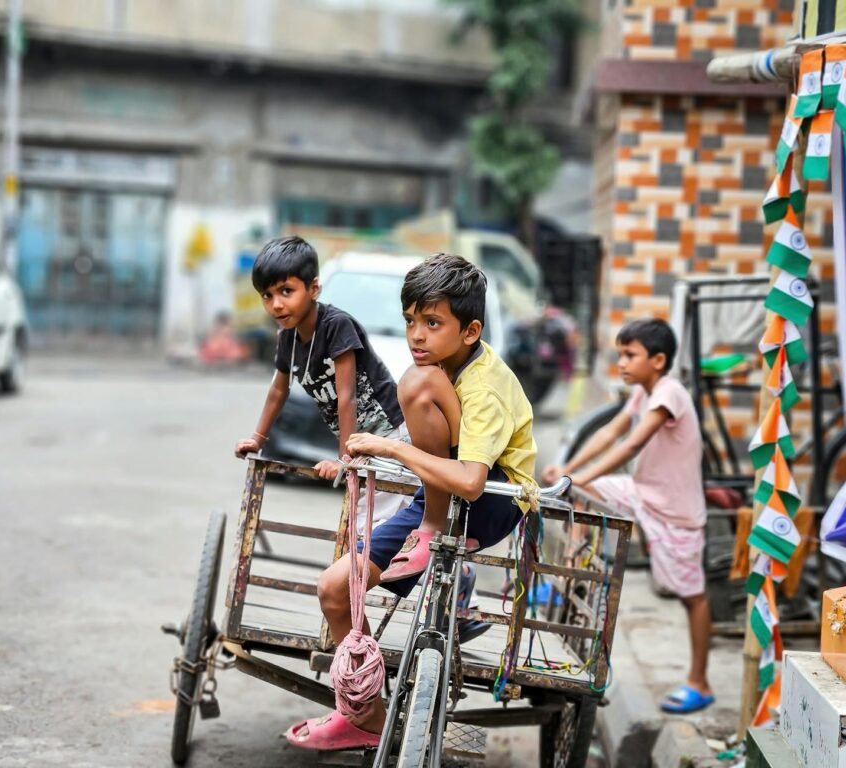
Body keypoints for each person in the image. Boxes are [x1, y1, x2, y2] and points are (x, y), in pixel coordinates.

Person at [284, 253, 537, 750]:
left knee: (415, 384)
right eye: (411, 322)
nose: (416, 335)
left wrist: (391, 448)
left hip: (494, 497)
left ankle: (430, 534)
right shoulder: (439, 368)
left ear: (470, 331)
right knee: (335, 588)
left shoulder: (482, 385)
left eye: (432, 322)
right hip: (438, 493)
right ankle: (363, 714)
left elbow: (471, 482)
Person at [541, 318, 713, 715]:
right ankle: (571, 573)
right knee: (583, 494)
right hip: (642, 493)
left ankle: (700, 682)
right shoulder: (642, 391)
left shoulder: (669, 393)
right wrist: (569, 469)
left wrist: (575, 476)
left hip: (675, 512)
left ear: (658, 360)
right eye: (620, 353)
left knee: (692, 597)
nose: (621, 362)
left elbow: (633, 441)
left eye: (629, 355)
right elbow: (608, 433)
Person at [234, 235, 408, 527]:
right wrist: (257, 439)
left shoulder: (336, 326)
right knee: (364, 522)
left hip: (389, 434)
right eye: (267, 295)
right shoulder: (288, 337)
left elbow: (347, 396)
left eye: (286, 291)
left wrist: (344, 460)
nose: (276, 304)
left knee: (372, 524)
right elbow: (279, 389)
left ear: (313, 288)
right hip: (362, 445)